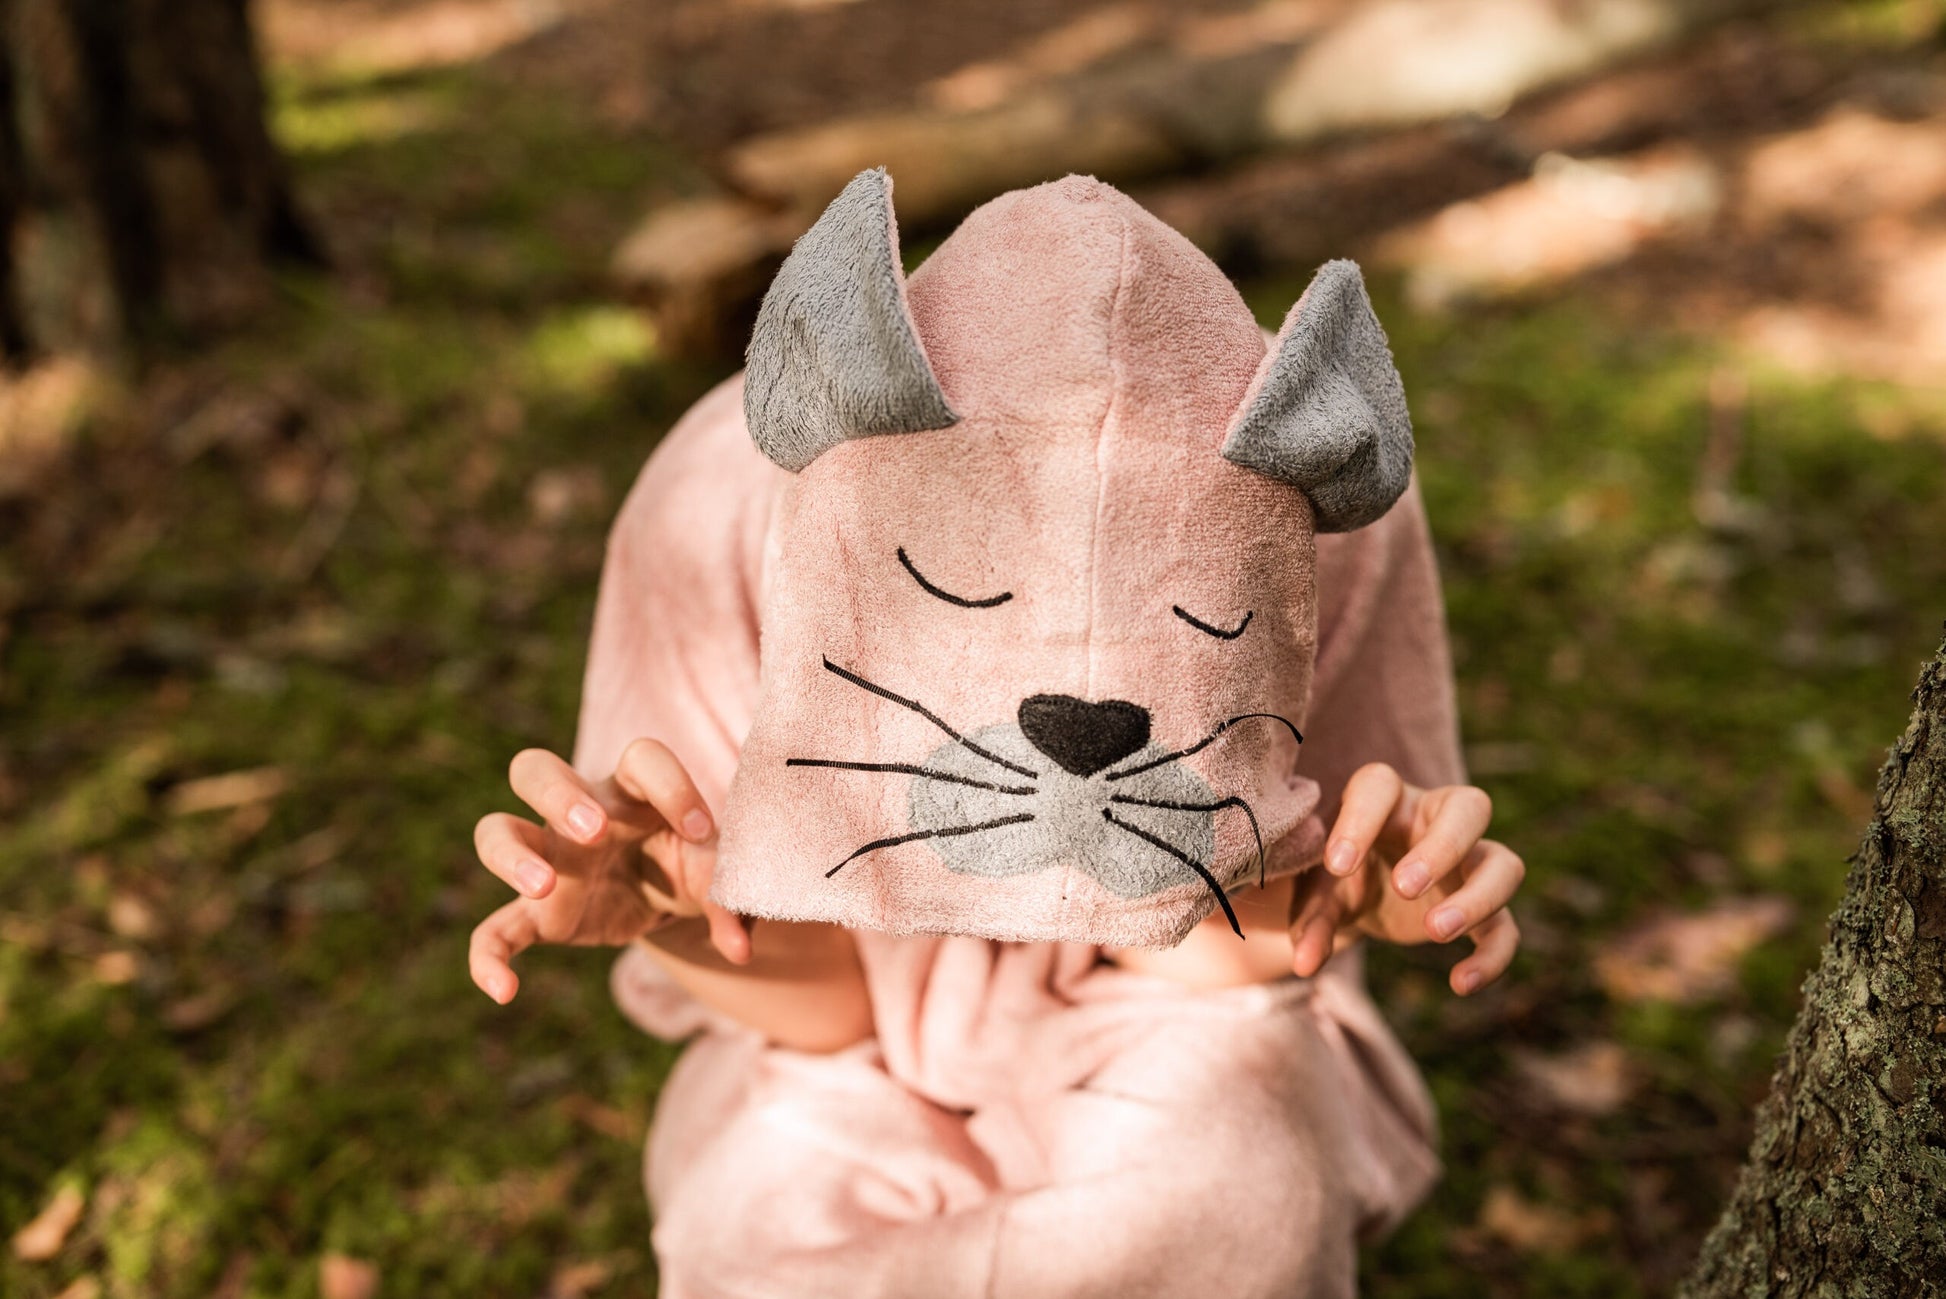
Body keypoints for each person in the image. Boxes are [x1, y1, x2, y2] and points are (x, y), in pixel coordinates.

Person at [466, 177, 1524, 1298]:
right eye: (949, 596)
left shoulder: (1312, 493)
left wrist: (1332, 899)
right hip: (844, 1042)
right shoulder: (719, 504)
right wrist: (681, 914)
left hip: (1183, 1006)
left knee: (1238, 1183)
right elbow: (820, 1017)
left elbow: (1222, 967)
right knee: (761, 1202)